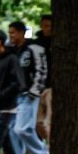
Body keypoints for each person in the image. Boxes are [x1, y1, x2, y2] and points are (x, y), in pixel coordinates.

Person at [6, 20, 49, 154]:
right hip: (15, 96)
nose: (11, 36)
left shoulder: (34, 47)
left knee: (22, 129)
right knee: (12, 131)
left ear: (22, 33)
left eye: (13, 33)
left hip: (28, 94)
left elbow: (41, 70)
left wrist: (34, 91)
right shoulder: (12, 50)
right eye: (9, 33)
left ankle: (44, 153)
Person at [34, 14, 54, 142]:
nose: (47, 28)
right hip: (39, 87)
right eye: (45, 26)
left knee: (48, 122)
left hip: (51, 87)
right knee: (38, 123)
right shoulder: (36, 44)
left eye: (50, 26)